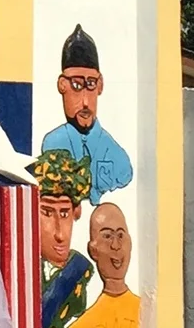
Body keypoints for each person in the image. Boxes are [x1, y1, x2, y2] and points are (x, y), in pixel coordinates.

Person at [38, 23, 132, 205]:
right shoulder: (52, 144)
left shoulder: (117, 156)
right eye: (76, 85)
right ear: (62, 85)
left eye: (90, 85)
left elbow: (124, 174)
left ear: (100, 85)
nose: (85, 102)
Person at [32, 148, 94, 328]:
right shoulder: (22, 273)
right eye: (47, 213)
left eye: (65, 214)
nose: (59, 232)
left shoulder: (79, 272)